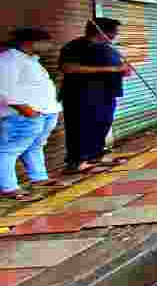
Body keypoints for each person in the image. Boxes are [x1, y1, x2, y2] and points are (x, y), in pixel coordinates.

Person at [0, 28, 68, 200]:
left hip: (42, 113)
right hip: (23, 114)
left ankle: (39, 178)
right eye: (45, 42)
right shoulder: (9, 60)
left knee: (34, 147)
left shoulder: (31, 60)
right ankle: (8, 187)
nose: (49, 46)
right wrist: (27, 111)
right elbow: (5, 89)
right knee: (9, 150)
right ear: (31, 42)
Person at [59, 18, 130, 173]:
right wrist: (111, 70)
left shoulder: (108, 47)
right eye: (113, 32)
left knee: (102, 124)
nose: (115, 35)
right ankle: (76, 161)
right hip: (82, 95)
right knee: (81, 126)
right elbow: (68, 68)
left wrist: (123, 70)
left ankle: (93, 157)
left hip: (107, 93)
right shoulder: (75, 46)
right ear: (101, 31)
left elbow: (116, 68)